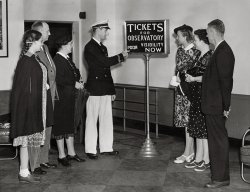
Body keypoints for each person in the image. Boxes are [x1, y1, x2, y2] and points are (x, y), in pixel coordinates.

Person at [10, 30, 52, 183]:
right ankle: (23, 172)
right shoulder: (26, 61)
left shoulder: (32, 59)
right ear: (33, 42)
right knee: (25, 141)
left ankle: (24, 172)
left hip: (34, 105)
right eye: (41, 41)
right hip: (27, 107)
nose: (42, 44)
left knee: (26, 142)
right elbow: (22, 89)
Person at [84, 20, 128, 159]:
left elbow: (107, 71)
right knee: (91, 120)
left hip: (104, 88)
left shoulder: (102, 47)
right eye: (105, 30)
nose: (107, 32)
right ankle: (90, 149)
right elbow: (104, 62)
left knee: (106, 119)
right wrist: (121, 56)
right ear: (97, 29)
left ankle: (106, 147)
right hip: (94, 88)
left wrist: (112, 90)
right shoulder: (90, 47)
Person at [201, 19, 235, 188]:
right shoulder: (219, 50)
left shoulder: (223, 52)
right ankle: (219, 177)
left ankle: (220, 179)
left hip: (216, 106)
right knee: (216, 142)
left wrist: (226, 107)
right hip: (213, 105)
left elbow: (226, 82)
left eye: (207, 33)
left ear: (214, 32)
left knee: (218, 142)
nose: (207, 36)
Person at [53, 36, 85, 166]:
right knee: (61, 126)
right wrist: (74, 83)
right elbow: (59, 79)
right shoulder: (57, 60)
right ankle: (61, 155)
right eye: (71, 44)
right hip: (61, 99)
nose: (72, 46)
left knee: (69, 125)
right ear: (64, 44)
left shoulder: (67, 59)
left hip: (70, 97)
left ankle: (71, 153)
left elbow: (75, 73)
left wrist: (79, 79)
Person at [31, 21, 57, 174]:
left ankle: (44, 159)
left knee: (48, 127)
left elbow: (51, 69)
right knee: (38, 129)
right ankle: (34, 163)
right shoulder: (33, 49)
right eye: (48, 30)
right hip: (40, 95)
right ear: (40, 31)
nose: (50, 33)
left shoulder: (45, 47)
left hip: (50, 93)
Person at [184, 29, 212, 171]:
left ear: (202, 40)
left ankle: (206, 160)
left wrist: (193, 78)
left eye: (195, 39)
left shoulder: (209, 56)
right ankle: (199, 158)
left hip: (203, 96)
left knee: (203, 130)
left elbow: (208, 78)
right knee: (198, 130)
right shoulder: (200, 56)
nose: (193, 42)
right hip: (196, 95)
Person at [172, 24, 200, 164]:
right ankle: (189, 151)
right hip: (181, 89)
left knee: (190, 122)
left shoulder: (196, 52)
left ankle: (189, 152)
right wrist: (176, 77)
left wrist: (181, 74)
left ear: (185, 35)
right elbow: (178, 68)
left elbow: (188, 69)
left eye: (178, 35)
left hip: (191, 91)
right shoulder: (179, 50)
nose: (177, 38)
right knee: (184, 122)